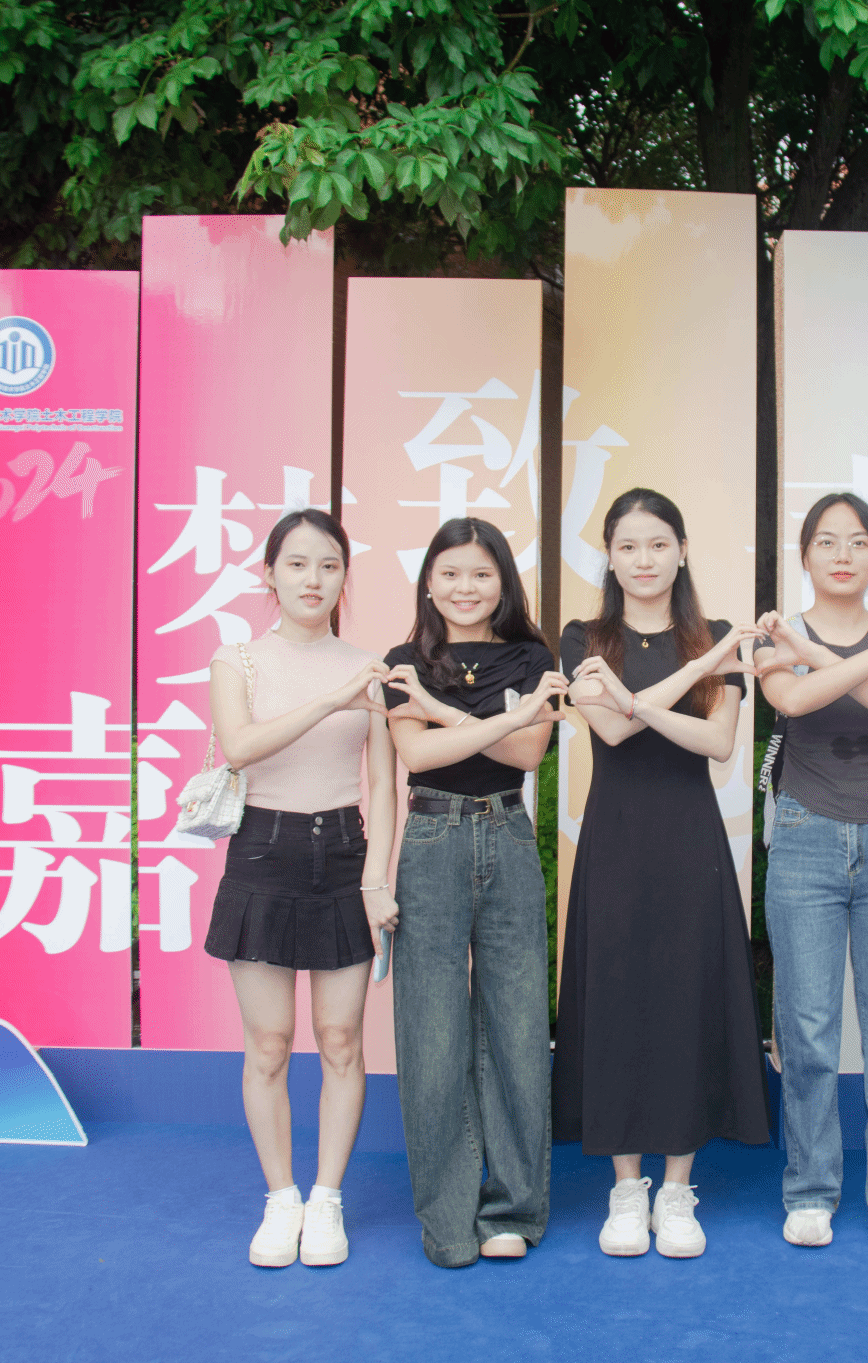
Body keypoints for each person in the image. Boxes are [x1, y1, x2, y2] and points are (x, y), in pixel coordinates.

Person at [555, 487, 770, 1259]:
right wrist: (700, 671)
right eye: (627, 546)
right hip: (614, 840)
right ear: (609, 558)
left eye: (657, 544)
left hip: (690, 841)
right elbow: (609, 731)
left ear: (681, 551)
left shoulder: (712, 635)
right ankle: (626, 1187)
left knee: (685, 1002)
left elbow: (717, 744)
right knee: (616, 1000)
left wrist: (649, 694)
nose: (643, 559)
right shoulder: (583, 637)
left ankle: (677, 1187)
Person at [204, 508, 398, 1270]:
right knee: (270, 1042)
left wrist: (376, 878)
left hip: (344, 852)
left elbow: (382, 783)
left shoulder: (371, 665)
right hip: (262, 850)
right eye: (297, 563)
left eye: (328, 564)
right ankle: (280, 1196)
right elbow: (240, 746)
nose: (313, 578)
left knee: (342, 1039)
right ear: (269, 574)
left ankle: (327, 1199)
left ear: (345, 576)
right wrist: (330, 700)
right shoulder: (238, 661)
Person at [753, 493, 868, 1251]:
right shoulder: (776, 636)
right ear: (805, 556)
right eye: (827, 541)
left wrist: (817, 653)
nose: (843, 554)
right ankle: (810, 1190)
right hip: (804, 837)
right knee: (806, 1027)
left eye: (859, 541)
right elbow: (795, 696)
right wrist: (808, 653)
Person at [380, 518, 568, 1268]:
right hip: (430, 839)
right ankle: (449, 1218)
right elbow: (417, 754)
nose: (466, 587)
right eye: (451, 573)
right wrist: (498, 717)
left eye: (481, 573)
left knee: (518, 1027)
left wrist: (442, 710)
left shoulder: (532, 656)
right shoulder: (403, 661)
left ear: (504, 583)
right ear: (429, 582)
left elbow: (525, 752)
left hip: (508, 834)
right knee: (431, 1032)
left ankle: (512, 1209)